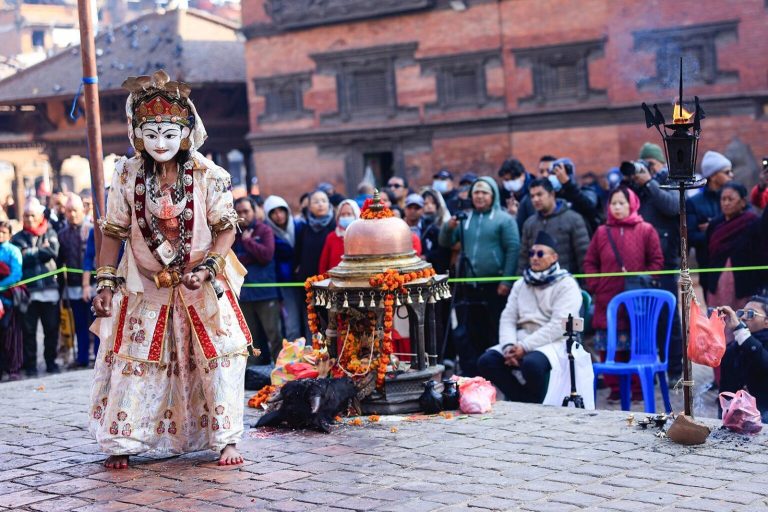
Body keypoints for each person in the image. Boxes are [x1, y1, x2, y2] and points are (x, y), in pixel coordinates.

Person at [89, 70, 250, 468]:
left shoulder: (209, 175)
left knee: (221, 357)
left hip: (201, 283)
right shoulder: (126, 174)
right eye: (151, 134)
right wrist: (105, 283)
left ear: (185, 134)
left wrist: (209, 268)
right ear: (138, 135)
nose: (160, 143)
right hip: (145, 287)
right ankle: (124, 441)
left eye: (169, 134)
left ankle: (226, 439)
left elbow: (226, 228)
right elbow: (113, 230)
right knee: (135, 361)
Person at [477, 231, 593, 407]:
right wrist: (509, 346)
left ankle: (530, 404)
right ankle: (526, 402)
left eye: (540, 254)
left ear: (554, 257)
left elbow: (559, 325)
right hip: (522, 338)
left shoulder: (566, 284)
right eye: (532, 254)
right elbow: (508, 317)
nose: (534, 258)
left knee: (531, 364)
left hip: (555, 342)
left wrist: (525, 347)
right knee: (487, 361)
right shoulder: (521, 283)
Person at [583, 187, 664, 401]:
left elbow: (656, 261)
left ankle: (638, 390)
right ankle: (616, 389)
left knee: (637, 341)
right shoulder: (602, 232)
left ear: (632, 204)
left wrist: (642, 281)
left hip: (637, 301)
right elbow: (590, 261)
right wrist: (596, 284)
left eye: (621, 203)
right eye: (613, 203)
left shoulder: (646, 230)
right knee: (609, 343)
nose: (617, 207)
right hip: (607, 299)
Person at [439, 177, 520, 376]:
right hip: (470, 286)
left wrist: (507, 280)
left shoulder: (504, 219)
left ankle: (498, 373)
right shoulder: (465, 219)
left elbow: (513, 249)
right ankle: (475, 374)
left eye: (484, 192)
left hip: (495, 285)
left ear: (493, 195)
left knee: (494, 329)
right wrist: (449, 227)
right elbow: (445, 242)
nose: (480, 196)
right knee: (472, 331)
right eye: (476, 192)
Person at [628, 152, 683, 380]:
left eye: (650, 163)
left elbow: (673, 207)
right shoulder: (635, 188)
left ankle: (675, 370)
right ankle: (650, 369)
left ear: (660, 163)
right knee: (643, 320)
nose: (645, 168)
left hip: (665, 263)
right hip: (639, 264)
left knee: (668, 318)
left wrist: (649, 183)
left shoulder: (669, 181)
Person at [12, 197, 60, 376]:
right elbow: (19, 258)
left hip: (50, 290)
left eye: (32, 215)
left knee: (51, 329)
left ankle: (51, 363)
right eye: (26, 215)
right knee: (29, 331)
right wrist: (40, 252)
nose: (29, 219)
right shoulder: (17, 238)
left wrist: (29, 252)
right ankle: (31, 366)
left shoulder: (50, 232)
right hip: (29, 292)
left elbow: (53, 252)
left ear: (40, 216)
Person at [700, 182, 768, 309]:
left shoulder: (752, 222)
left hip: (744, 284)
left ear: (742, 202)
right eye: (723, 199)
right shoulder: (715, 224)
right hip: (716, 282)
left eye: (730, 199)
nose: (726, 203)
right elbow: (706, 254)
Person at [233, 197, 280, 363]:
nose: (242, 215)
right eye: (239, 212)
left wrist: (249, 243)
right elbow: (232, 260)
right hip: (244, 294)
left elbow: (267, 256)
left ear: (254, 211)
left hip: (265, 292)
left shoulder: (264, 230)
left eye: (246, 211)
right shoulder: (232, 233)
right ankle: (255, 370)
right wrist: (251, 257)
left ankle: (280, 368)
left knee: (274, 333)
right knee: (251, 337)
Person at [518, 178, 590, 275]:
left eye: (539, 194)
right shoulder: (529, 223)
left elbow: (583, 256)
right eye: (532, 196)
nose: (535, 199)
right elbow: (523, 258)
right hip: (536, 281)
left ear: (552, 194)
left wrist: (584, 283)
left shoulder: (573, 219)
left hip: (566, 281)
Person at [57, 194, 94, 368]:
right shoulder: (62, 234)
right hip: (72, 285)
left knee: (96, 322)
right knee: (79, 323)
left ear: (82, 210)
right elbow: (60, 260)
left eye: (75, 210)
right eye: (68, 211)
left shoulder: (91, 229)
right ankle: (82, 357)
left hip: (92, 283)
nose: (72, 214)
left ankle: (98, 355)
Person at [718, 297, 768, 423]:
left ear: (766, 322)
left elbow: (763, 362)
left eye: (751, 314)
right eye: (741, 313)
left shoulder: (750, 344)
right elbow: (725, 391)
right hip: (738, 419)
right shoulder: (732, 349)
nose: (744, 317)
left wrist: (740, 330)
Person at [295, 190, 336, 338]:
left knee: (332, 321)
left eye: (324, 201)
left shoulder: (334, 226)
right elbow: (298, 254)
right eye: (316, 201)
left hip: (331, 283)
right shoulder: (304, 228)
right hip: (310, 284)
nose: (320, 204)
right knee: (314, 322)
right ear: (309, 206)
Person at [264, 195, 303, 342]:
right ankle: (294, 354)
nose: (279, 215)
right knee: (292, 324)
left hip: (304, 281)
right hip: (285, 283)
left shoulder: (300, 227)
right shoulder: (269, 234)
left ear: (287, 211)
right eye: (274, 212)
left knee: (309, 320)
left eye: (281, 210)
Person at [687, 151, 733, 260]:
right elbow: (690, 237)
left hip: (733, 260)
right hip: (708, 262)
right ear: (713, 176)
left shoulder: (735, 198)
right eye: (727, 172)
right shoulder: (694, 203)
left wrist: (712, 227)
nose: (732, 175)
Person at [0, 220, 23, 380]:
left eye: (3, 232)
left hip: (8, 299)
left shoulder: (13, 251)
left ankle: (13, 368)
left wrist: (1, 286)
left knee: (10, 335)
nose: (0, 235)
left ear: (9, 234)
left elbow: (16, 274)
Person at [318, 199, 360, 274]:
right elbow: (323, 264)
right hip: (334, 279)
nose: (346, 217)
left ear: (356, 215)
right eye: (342, 214)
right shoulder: (331, 237)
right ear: (338, 217)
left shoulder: (362, 237)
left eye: (349, 214)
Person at [420, 188, 451, 274]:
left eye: (433, 203)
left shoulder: (444, 224)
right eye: (425, 203)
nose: (429, 206)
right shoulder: (419, 225)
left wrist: (427, 256)